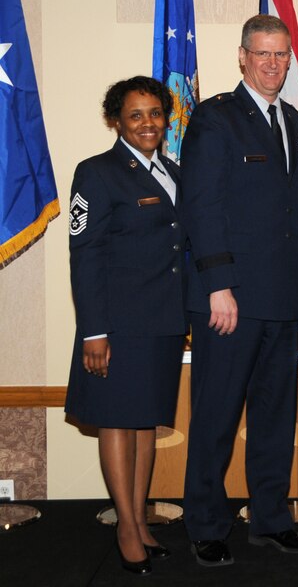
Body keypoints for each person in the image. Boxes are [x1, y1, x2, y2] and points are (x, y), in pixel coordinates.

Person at [180, 14, 298, 567]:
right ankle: (206, 525)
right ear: (242, 56)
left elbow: (296, 210)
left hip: (282, 299)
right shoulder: (215, 119)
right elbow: (202, 208)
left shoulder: (296, 125)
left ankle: (270, 518)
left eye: (282, 56)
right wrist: (219, 286)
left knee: (274, 417)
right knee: (215, 416)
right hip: (229, 302)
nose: (273, 65)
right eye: (263, 54)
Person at [65, 76, 187, 575]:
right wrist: (94, 330)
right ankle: (124, 526)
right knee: (117, 420)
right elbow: (85, 255)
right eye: (135, 115)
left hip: (163, 322)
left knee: (144, 422)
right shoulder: (96, 173)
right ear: (116, 120)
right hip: (116, 324)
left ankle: (139, 518)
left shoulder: (175, 171)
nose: (147, 123)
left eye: (155, 113)